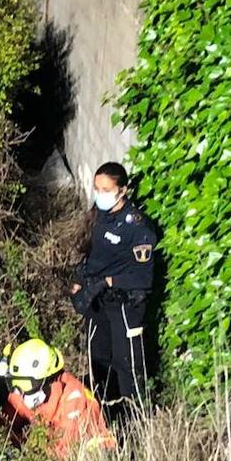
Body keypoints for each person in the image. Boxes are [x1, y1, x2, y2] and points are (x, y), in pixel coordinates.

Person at [70, 162, 159, 420]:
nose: (100, 194)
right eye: (97, 188)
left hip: (124, 304)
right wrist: (80, 281)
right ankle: (106, 413)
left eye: (106, 189)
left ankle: (136, 420)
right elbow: (91, 254)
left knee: (127, 364)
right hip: (99, 303)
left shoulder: (137, 227)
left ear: (123, 190)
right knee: (99, 359)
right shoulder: (99, 215)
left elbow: (142, 276)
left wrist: (107, 282)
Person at [0, 339, 115, 459]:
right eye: (14, 383)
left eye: (25, 384)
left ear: (47, 380)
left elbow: (63, 453)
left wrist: (25, 447)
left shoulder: (75, 402)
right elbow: (1, 425)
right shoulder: (23, 391)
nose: (19, 391)